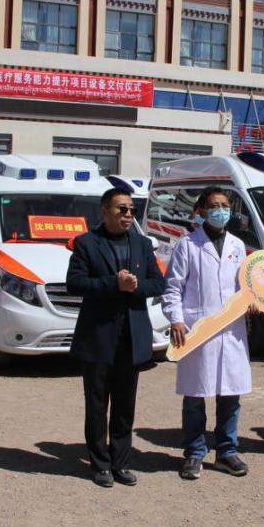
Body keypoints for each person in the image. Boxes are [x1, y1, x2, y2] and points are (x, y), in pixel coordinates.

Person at [67, 188, 165, 487]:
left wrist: (135, 287)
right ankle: (100, 464)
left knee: (125, 405)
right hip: (98, 336)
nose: (128, 215)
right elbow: (75, 283)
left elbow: (158, 283)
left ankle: (120, 462)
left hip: (131, 337)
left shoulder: (142, 244)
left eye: (132, 210)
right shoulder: (86, 243)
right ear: (105, 210)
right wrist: (113, 284)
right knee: (97, 404)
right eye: (122, 209)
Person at [162, 187, 254, 480]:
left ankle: (226, 452)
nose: (221, 211)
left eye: (225, 206)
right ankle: (195, 453)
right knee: (195, 395)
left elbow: (246, 285)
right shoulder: (187, 244)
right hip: (197, 330)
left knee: (230, 395)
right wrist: (176, 319)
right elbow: (173, 286)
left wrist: (254, 301)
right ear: (200, 210)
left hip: (231, 329)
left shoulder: (238, 245)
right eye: (214, 206)